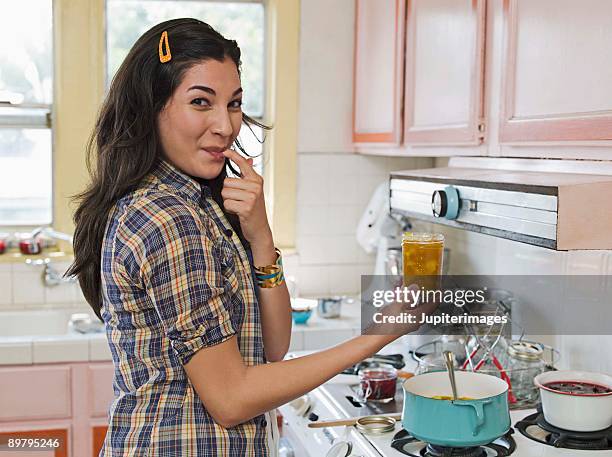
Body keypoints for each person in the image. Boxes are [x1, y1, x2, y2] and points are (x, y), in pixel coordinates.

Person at [67, 18, 431, 456]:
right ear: (151, 107)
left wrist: (260, 234)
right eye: (201, 102)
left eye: (234, 104)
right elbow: (231, 398)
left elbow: (273, 349)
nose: (226, 125)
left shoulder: (203, 205)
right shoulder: (167, 218)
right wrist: (380, 333)